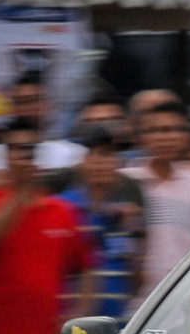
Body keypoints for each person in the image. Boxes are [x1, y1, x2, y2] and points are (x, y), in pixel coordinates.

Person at [0, 119, 90, 334]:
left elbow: (86, 269)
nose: (25, 156)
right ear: (7, 157)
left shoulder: (63, 211)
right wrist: (20, 190)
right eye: (18, 150)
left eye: (31, 149)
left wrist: (78, 316)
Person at [122, 101, 190, 304]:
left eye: (176, 130)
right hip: (131, 306)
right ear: (140, 137)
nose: (167, 137)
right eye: (157, 130)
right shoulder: (124, 183)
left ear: (188, 137)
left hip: (186, 302)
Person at [60, 126, 147, 318]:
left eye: (107, 155)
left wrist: (134, 233)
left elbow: (138, 281)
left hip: (116, 327)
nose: (100, 162)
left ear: (117, 162)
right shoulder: (64, 209)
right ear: (81, 161)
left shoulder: (124, 214)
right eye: (92, 154)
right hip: (74, 328)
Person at [0, 71, 86, 185]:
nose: (27, 108)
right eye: (19, 102)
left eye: (33, 100)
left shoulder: (71, 153)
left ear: (47, 106)